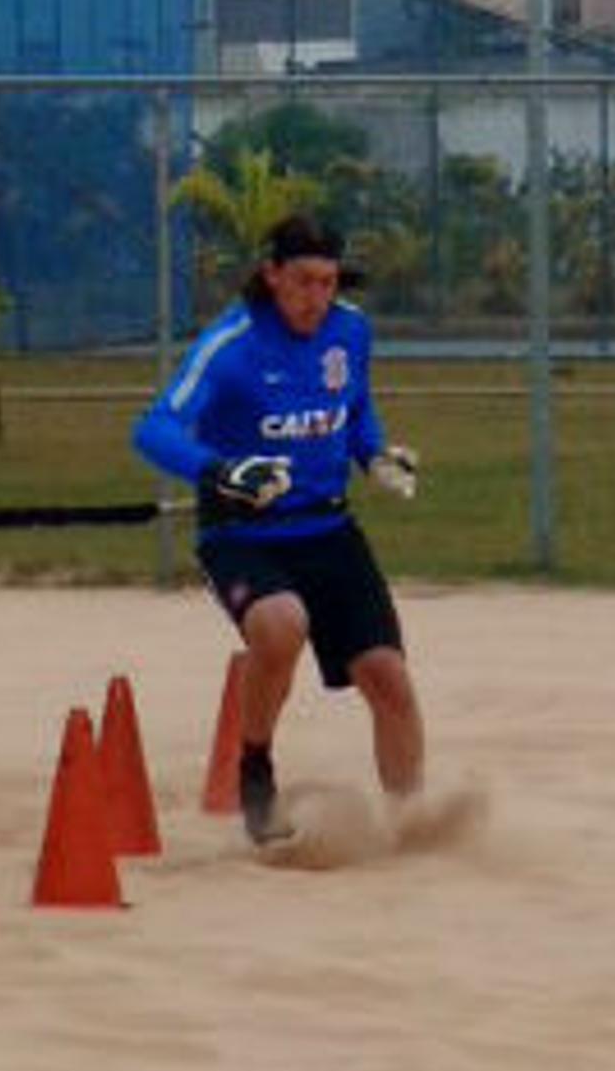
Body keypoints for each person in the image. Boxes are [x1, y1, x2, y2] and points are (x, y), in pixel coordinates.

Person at [133, 213, 425, 847]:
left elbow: (354, 407)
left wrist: (374, 454)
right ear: (271, 276)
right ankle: (255, 765)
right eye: (302, 283)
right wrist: (220, 471)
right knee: (282, 623)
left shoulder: (351, 330)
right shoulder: (230, 346)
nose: (316, 299)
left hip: (328, 530)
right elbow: (153, 428)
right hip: (243, 536)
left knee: (389, 679)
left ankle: (413, 826)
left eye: (327, 283)